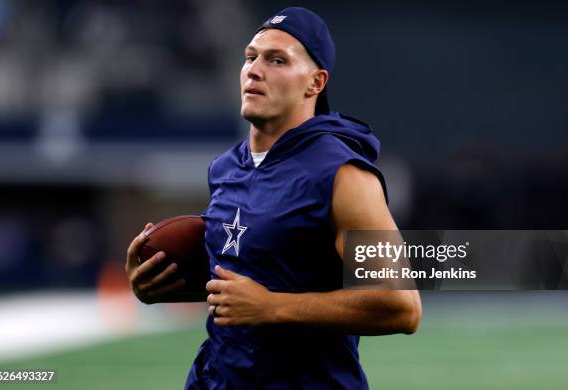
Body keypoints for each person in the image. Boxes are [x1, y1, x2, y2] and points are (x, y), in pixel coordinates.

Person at [126, 7, 421, 389]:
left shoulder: (342, 175)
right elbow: (251, 275)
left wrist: (274, 307)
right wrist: (157, 285)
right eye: (250, 58)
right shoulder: (226, 168)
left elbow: (401, 308)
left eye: (277, 60)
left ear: (315, 82)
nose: (254, 70)